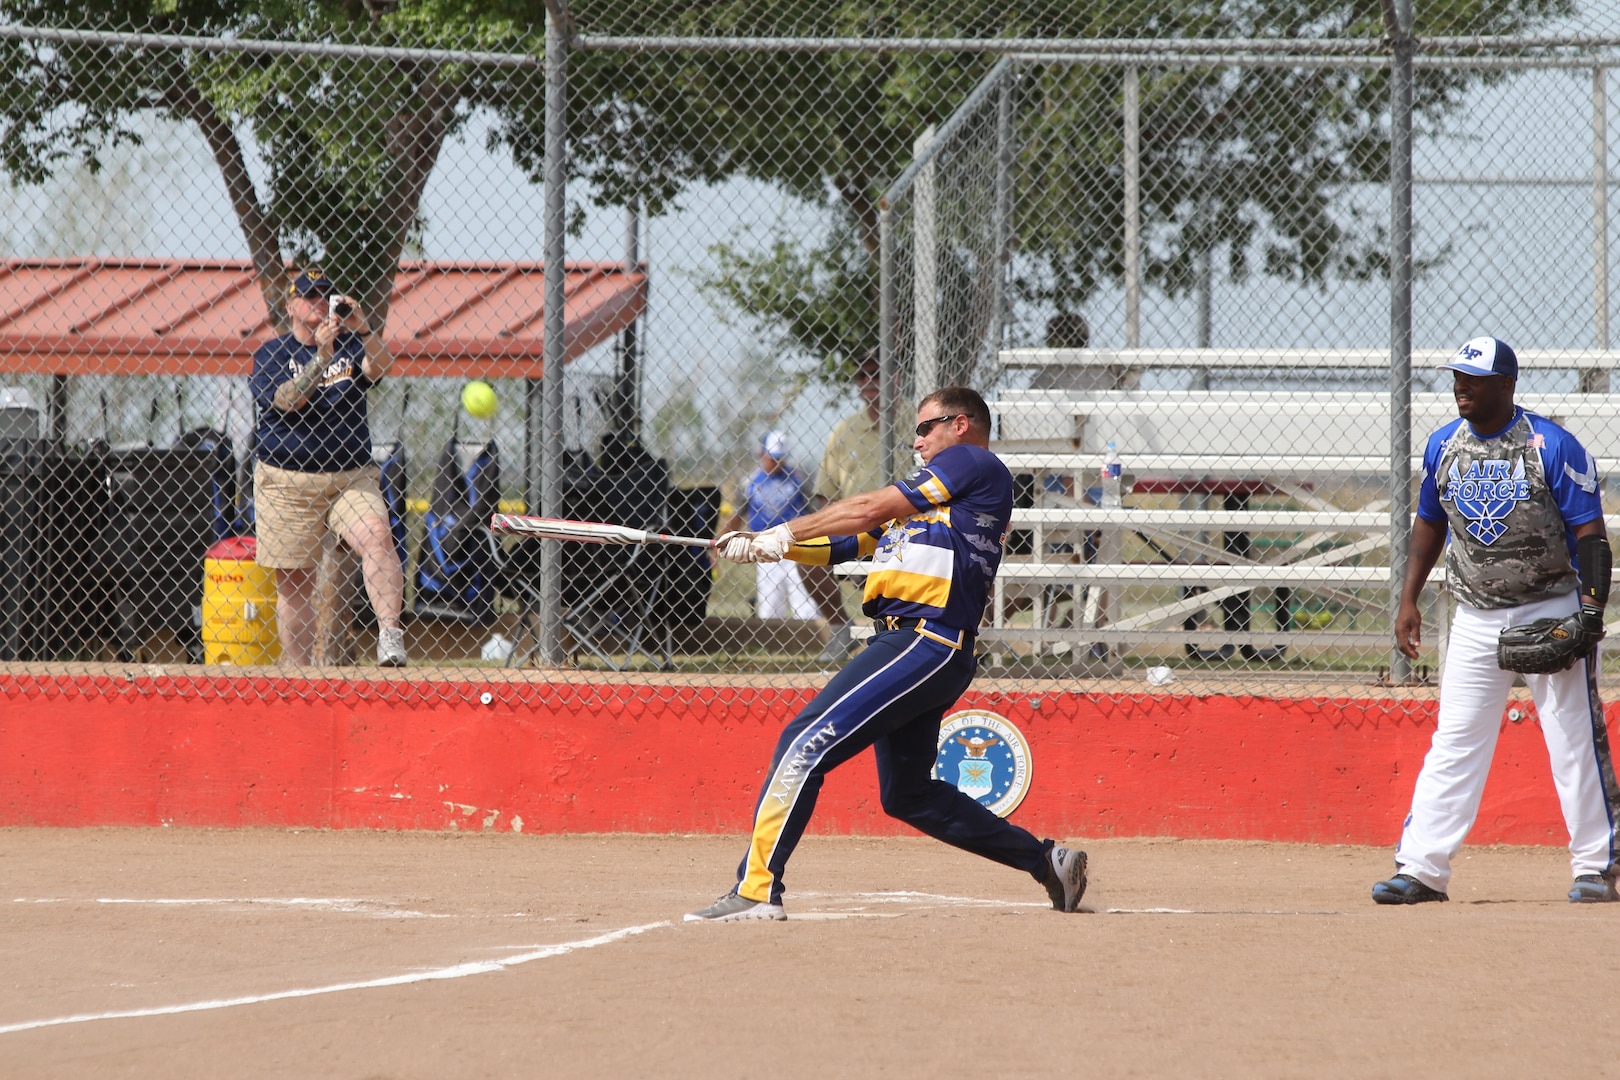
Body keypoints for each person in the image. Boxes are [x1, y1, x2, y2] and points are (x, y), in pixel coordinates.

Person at [686, 386, 1088, 921]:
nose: (916, 439)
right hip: (915, 644)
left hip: (926, 638)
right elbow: (843, 543)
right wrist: (756, 544)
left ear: (961, 425)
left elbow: (868, 506)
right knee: (908, 794)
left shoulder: (973, 463)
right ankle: (1046, 863)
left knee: (803, 741)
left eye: (926, 427)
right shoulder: (929, 501)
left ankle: (757, 890)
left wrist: (778, 535)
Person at [1375, 335, 1618, 905]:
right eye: (1457, 376)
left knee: (1574, 739)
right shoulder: (1444, 445)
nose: (1461, 386)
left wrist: (1589, 612)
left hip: (1551, 607)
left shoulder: (1551, 445)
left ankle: (1596, 867)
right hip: (1475, 614)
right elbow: (1429, 523)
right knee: (1455, 740)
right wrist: (1407, 598)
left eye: (1474, 378)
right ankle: (1422, 870)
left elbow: (1590, 535)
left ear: (1506, 384)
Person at [249, 268, 408, 667]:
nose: (320, 303)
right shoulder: (272, 353)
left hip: (348, 476)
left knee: (376, 535)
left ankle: (390, 636)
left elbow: (382, 366)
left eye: (325, 295)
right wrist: (321, 358)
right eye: (309, 296)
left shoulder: (352, 345)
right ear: (290, 307)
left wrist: (366, 328)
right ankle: (302, 675)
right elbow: (287, 401)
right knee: (296, 583)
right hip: (287, 481)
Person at [805, 348, 913, 660]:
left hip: (909, 529)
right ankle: (840, 628)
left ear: (895, 378)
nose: (868, 381)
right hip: (859, 530)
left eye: (876, 373)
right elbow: (826, 494)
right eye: (861, 375)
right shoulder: (844, 431)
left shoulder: (916, 422)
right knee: (804, 547)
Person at [719, 430, 820, 620]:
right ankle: (774, 644)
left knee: (805, 605)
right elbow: (737, 514)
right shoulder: (750, 482)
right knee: (770, 607)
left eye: (780, 459)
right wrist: (722, 541)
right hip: (765, 548)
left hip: (797, 547)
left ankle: (808, 642)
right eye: (772, 458)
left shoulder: (798, 479)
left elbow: (814, 513)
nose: (776, 463)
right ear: (762, 454)